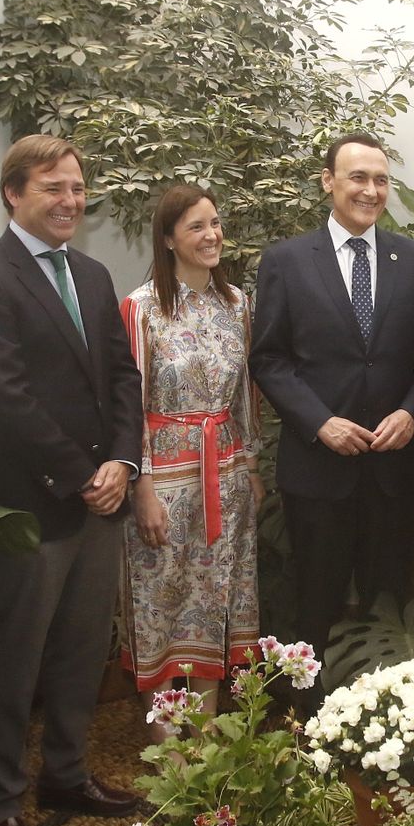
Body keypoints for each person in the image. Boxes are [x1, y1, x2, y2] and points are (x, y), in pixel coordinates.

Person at [0, 135, 143, 826]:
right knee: (16, 661)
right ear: (13, 194)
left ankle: (66, 773)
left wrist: (123, 464)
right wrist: (80, 474)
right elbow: (8, 397)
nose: (70, 201)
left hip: (102, 498)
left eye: (77, 188)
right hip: (33, 504)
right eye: (52, 188)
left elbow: (125, 380)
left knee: (81, 650)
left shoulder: (94, 276)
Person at [250, 132, 414, 712]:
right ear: (329, 182)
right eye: (358, 177)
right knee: (313, 601)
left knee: (389, 603)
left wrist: (411, 412)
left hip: (391, 469)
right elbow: (269, 358)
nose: (371, 190)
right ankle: (306, 726)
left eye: (381, 180)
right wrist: (320, 422)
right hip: (318, 468)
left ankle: (389, 729)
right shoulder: (286, 261)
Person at [120, 184, 263, 728]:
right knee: (163, 598)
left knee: (218, 597)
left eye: (216, 223)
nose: (212, 235)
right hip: (167, 481)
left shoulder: (236, 304)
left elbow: (246, 391)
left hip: (225, 476)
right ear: (169, 239)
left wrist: (250, 466)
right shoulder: (142, 308)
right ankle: (166, 742)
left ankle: (207, 734)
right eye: (197, 227)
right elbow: (129, 403)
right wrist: (143, 486)